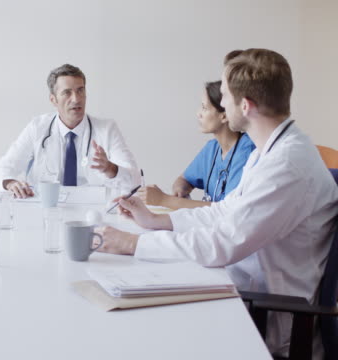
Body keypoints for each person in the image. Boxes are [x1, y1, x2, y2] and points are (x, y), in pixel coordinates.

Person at [97, 49, 338, 359]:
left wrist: (132, 244)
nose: (221, 104)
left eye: (224, 96)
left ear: (246, 106)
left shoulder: (287, 166)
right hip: (243, 291)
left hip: (269, 320)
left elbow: (223, 242)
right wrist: (158, 222)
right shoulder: (269, 151)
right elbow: (225, 210)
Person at [0, 64, 140, 198]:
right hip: (46, 208)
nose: (76, 99)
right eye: (67, 92)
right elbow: (3, 168)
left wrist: (110, 168)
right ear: (53, 100)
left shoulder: (106, 129)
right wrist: (10, 183)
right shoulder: (37, 127)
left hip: (91, 209)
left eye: (80, 90)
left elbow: (134, 179)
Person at [139, 81, 255, 209]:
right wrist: (180, 189)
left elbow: (227, 210)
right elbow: (184, 179)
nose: (198, 113)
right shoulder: (212, 148)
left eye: (205, 108)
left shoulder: (247, 150)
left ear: (224, 116)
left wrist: (163, 200)